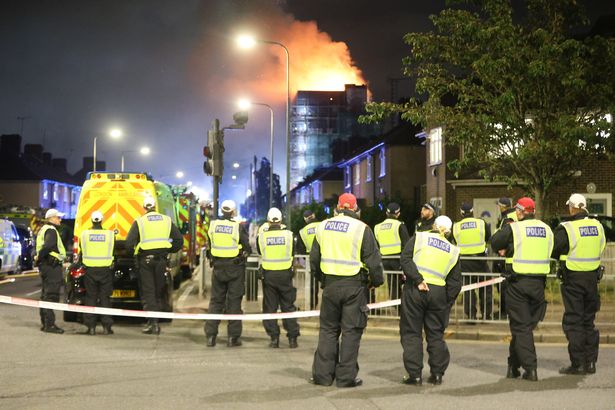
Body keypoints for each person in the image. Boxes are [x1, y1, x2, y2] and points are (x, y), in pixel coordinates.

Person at [310, 193, 384, 388]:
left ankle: (323, 377)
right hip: (354, 287)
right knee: (351, 332)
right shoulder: (362, 229)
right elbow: (374, 261)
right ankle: (345, 378)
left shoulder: (323, 226)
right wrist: (376, 282)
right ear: (354, 209)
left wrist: (322, 280)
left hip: (330, 286)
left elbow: (314, 260)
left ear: (337, 207)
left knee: (328, 331)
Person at [491, 197, 553, 381]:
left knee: (521, 327)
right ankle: (513, 366)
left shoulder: (514, 228)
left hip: (518, 284)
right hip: (539, 285)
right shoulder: (547, 229)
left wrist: (507, 247)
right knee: (524, 327)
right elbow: (553, 249)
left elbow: (494, 242)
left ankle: (530, 368)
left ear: (519, 212)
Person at [399, 215, 462, 386]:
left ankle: (415, 375)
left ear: (434, 225)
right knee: (435, 335)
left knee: (412, 333)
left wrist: (418, 279)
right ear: (449, 231)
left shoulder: (419, 237)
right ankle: (437, 374)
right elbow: (455, 283)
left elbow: (405, 259)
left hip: (416, 289)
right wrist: (446, 301)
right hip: (438, 294)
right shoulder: (453, 250)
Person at [552, 193, 606, 375]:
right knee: (588, 322)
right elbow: (601, 247)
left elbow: (554, 249)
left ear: (572, 208)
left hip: (573, 279)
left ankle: (578, 364)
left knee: (574, 322)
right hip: (592, 280)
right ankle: (590, 363)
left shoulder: (567, 228)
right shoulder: (598, 226)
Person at [126, 196, 183, 335]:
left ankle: (153, 323)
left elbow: (129, 244)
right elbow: (179, 241)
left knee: (148, 292)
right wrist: (167, 250)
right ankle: (156, 320)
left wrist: (136, 254)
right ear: (155, 207)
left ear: (144, 208)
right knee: (158, 291)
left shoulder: (140, 222)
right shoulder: (166, 220)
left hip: (145, 261)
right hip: (161, 261)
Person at [204, 199, 252, 347]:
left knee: (216, 302)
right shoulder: (236, 227)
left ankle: (211, 336)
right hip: (235, 269)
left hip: (218, 268)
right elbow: (247, 247)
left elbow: (209, 246)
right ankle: (233, 337)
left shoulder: (213, 225)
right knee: (234, 302)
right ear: (232, 211)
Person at [257, 207, 300, 348]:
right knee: (288, 306)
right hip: (285, 276)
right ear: (281, 220)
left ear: (268, 221)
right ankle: (292, 338)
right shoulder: (289, 235)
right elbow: (293, 252)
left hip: (269, 276)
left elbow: (259, 251)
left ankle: (274, 338)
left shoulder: (262, 236)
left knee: (270, 308)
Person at [452, 202, 492, 320]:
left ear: (461, 212)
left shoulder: (456, 226)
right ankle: (486, 314)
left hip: (464, 262)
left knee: (468, 289)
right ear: (473, 211)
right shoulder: (481, 223)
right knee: (485, 286)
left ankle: (471, 315)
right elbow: (488, 238)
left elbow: (454, 240)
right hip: (480, 261)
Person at [78, 210, 115, 335]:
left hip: (90, 271)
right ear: (102, 220)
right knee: (105, 299)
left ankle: (91, 327)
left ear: (92, 220)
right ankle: (106, 327)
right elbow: (113, 251)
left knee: (90, 298)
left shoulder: (84, 234)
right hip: (105, 270)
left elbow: (81, 252)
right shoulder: (110, 235)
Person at [35, 209, 67, 334]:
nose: (60, 219)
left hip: (46, 266)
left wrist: (38, 259)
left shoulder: (43, 229)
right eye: (58, 217)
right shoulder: (51, 230)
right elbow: (47, 246)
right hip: (51, 267)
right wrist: (39, 258)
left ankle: (45, 323)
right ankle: (50, 325)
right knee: (51, 296)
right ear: (52, 218)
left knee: (45, 295)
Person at [374, 202, 410, 309]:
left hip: (385, 260)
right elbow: (406, 244)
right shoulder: (399, 225)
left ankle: (396, 306)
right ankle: (404, 308)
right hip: (398, 259)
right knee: (406, 282)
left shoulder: (377, 227)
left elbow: (376, 244)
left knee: (392, 284)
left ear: (386, 213)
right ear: (398, 214)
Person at [493, 197, 518, 319]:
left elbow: (506, 236)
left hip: (506, 258)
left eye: (499, 205)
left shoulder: (508, 218)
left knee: (503, 285)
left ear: (503, 206)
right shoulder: (510, 215)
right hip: (511, 256)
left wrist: (503, 248)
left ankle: (504, 312)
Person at [297, 209, 321, 309]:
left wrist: (304, 261)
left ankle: (312, 306)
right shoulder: (323, 225)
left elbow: (300, 249)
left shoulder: (302, 231)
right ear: (314, 215)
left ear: (305, 219)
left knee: (312, 286)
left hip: (311, 260)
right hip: (326, 258)